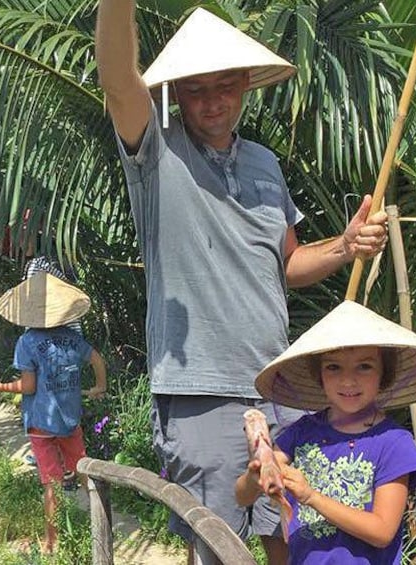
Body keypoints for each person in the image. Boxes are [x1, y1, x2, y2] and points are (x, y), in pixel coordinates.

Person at [95, 4, 390, 563]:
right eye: (197, 89)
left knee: (288, 534)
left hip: (279, 383)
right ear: (176, 93)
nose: (212, 101)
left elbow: (288, 266)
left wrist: (345, 245)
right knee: (214, 542)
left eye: (225, 86)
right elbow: (116, 80)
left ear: (245, 86)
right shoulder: (157, 151)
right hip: (200, 390)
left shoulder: (264, 164)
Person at [236, 300, 416, 563]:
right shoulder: (301, 432)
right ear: (319, 375)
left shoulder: (393, 443)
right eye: (333, 367)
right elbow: (242, 497)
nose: (348, 380)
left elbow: (382, 531)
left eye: (364, 366)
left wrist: (312, 497)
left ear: (384, 374)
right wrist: (256, 475)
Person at [0, 272, 108, 554]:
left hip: (41, 424)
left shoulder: (27, 342)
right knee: (84, 472)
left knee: (51, 483)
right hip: (69, 421)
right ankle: (102, 526)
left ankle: (52, 542)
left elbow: (28, 387)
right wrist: (99, 386)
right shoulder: (73, 338)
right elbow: (97, 359)